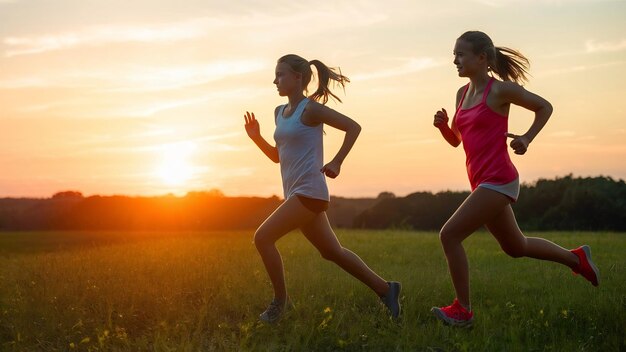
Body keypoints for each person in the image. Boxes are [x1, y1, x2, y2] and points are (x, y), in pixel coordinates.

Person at [431, 31, 599, 327]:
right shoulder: (461, 94)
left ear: (481, 58)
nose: (454, 61)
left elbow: (544, 106)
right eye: (454, 55)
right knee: (515, 247)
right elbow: (457, 140)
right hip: (481, 182)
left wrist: (527, 138)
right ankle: (578, 260)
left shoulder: (500, 91)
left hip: (498, 180)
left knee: (449, 234)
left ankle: (463, 311)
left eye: (460, 54)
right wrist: (444, 128)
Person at [244, 54, 401, 323]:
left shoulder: (311, 109)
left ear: (298, 77)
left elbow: (353, 127)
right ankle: (387, 289)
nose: (275, 80)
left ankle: (281, 303)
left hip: (310, 192)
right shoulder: (279, 113)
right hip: (297, 193)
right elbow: (277, 156)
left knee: (263, 238)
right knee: (332, 252)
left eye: (280, 74)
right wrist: (256, 137)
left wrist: (337, 161)